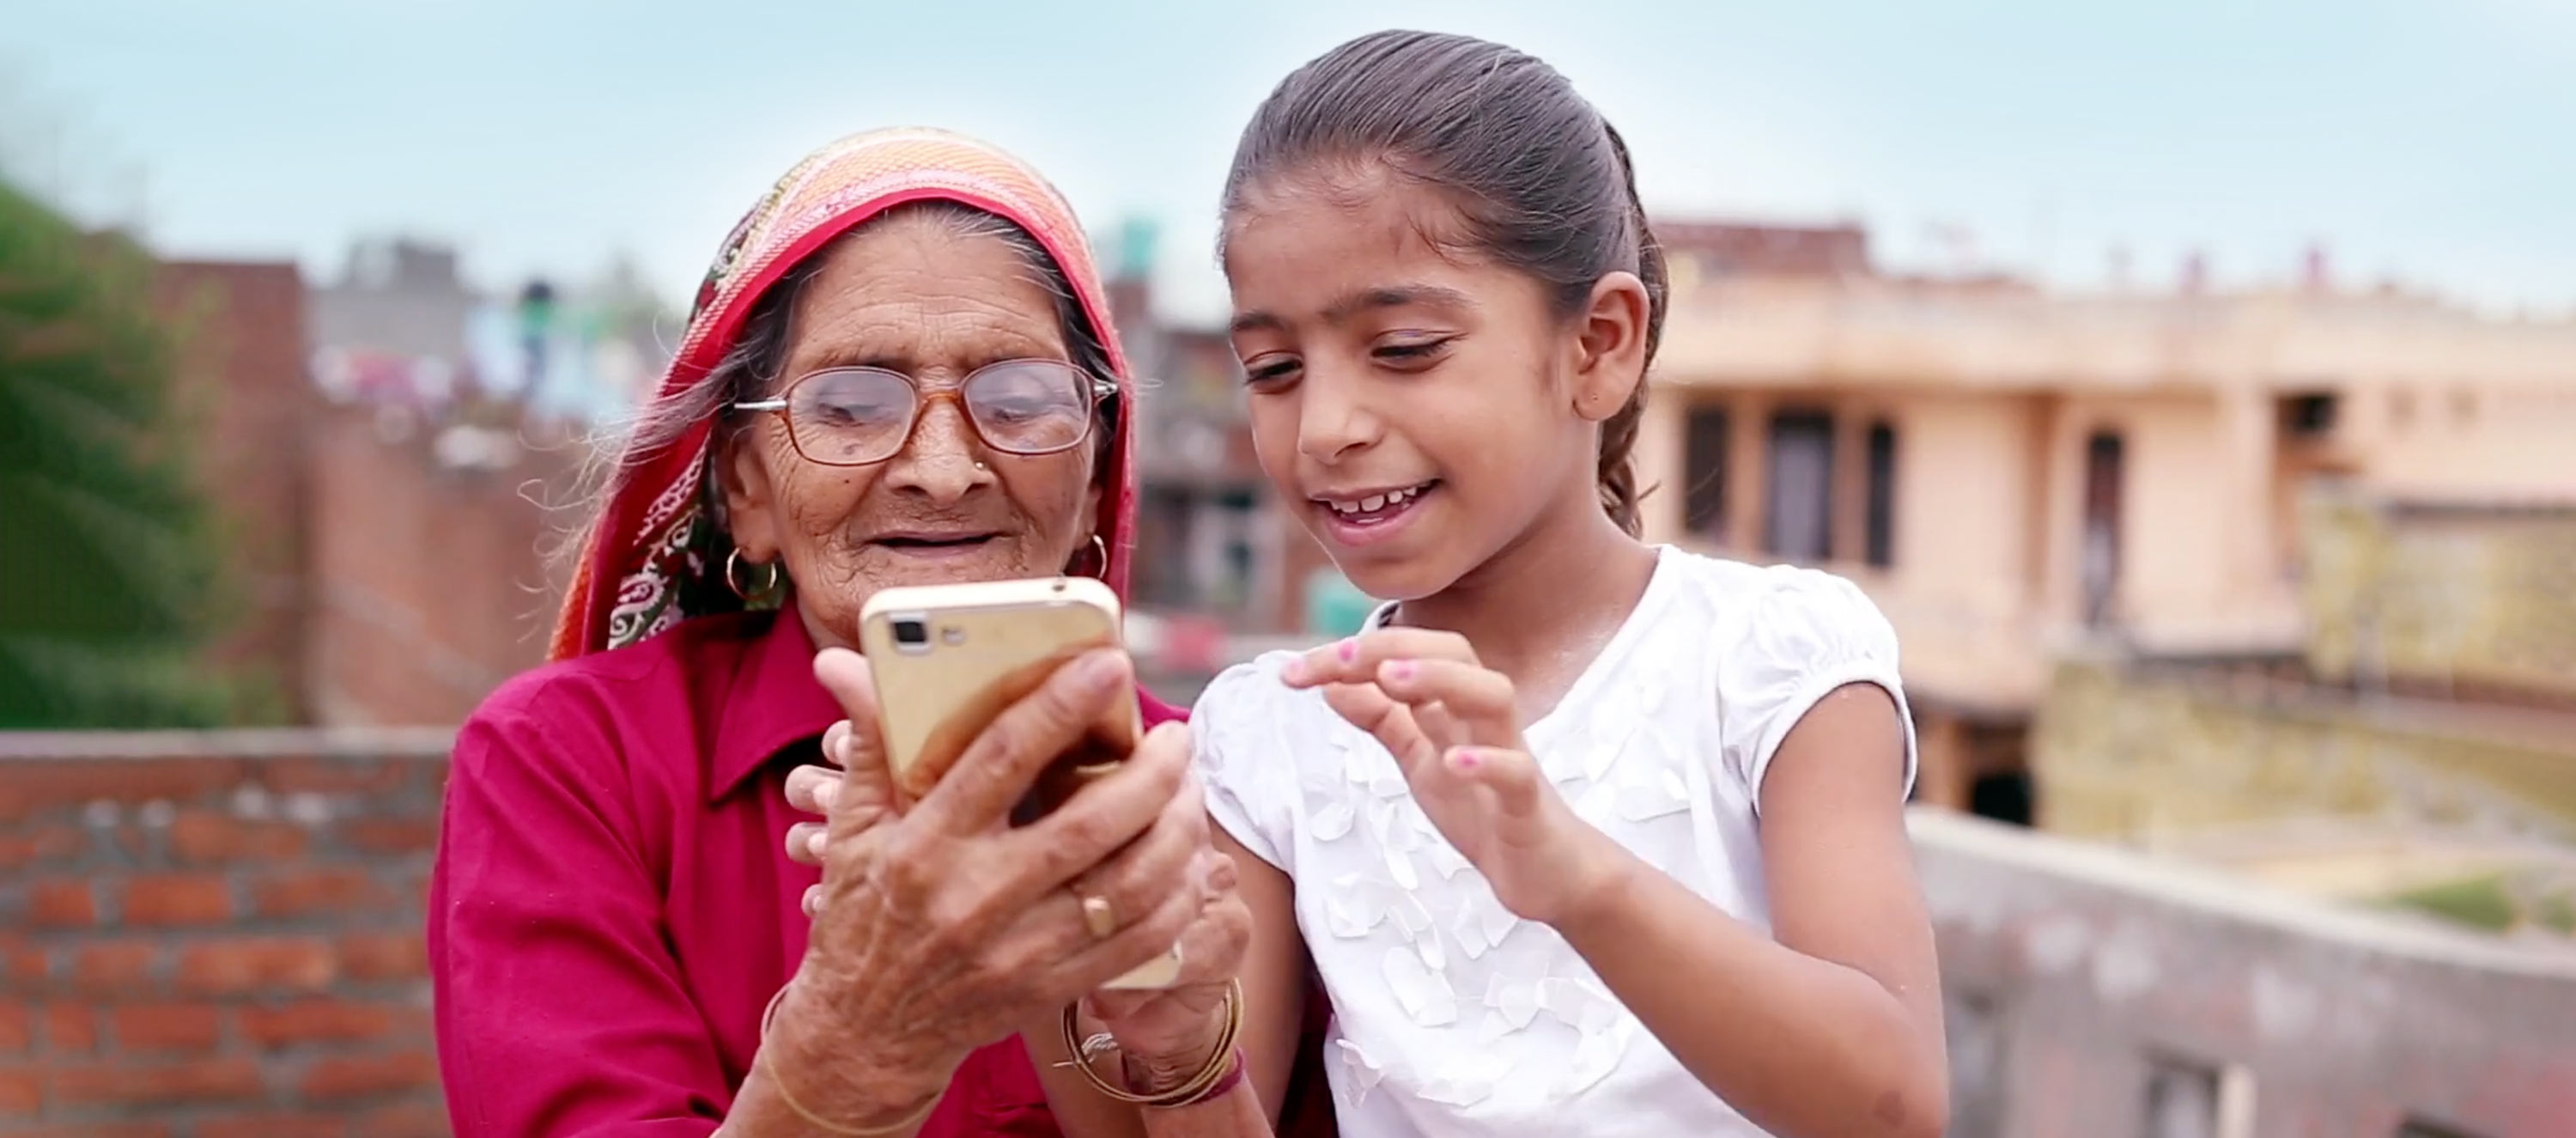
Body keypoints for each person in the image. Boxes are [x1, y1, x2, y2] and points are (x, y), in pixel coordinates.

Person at [430, 128, 1271, 1138]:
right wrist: (865, 1034)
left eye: (1017, 398)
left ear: (1096, 475)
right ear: (745, 485)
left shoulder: (1208, 782)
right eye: (853, 404)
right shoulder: (572, 764)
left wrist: (1180, 1054)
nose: (944, 467)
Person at [1191, 30, 1951, 1137]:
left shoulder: (1772, 663)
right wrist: (1128, 1003)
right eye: (1274, 370)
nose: (1327, 429)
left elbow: (1894, 1103)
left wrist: (1572, 874)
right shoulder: (1268, 735)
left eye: (1402, 348)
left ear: (1598, 343)